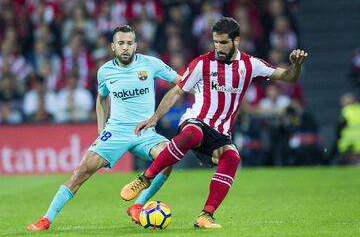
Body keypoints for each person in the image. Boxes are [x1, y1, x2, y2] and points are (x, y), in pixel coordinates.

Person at [120, 17, 308, 228]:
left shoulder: (250, 64)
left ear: (236, 41)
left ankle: (205, 215)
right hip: (196, 121)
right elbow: (176, 92)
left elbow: (288, 77)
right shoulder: (202, 63)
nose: (218, 47)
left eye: (223, 42)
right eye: (215, 42)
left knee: (232, 157)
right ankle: (145, 178)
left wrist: (296, 65)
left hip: (220, 133)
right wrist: (154, 118)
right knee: (194, 134)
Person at [27, 25, 181, 231]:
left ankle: (137, 205)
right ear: (112, 47)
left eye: (129, 43)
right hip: (116, 131)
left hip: (145, 132)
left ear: (135, 45)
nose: (125, 47)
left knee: (168, 158)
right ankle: (46, 219)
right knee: (82, 170)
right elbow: (102, 98)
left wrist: (155, 117)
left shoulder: (151, 64)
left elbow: (181, 83)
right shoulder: (105, 71)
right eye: (121, 43)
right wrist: (102, 128)